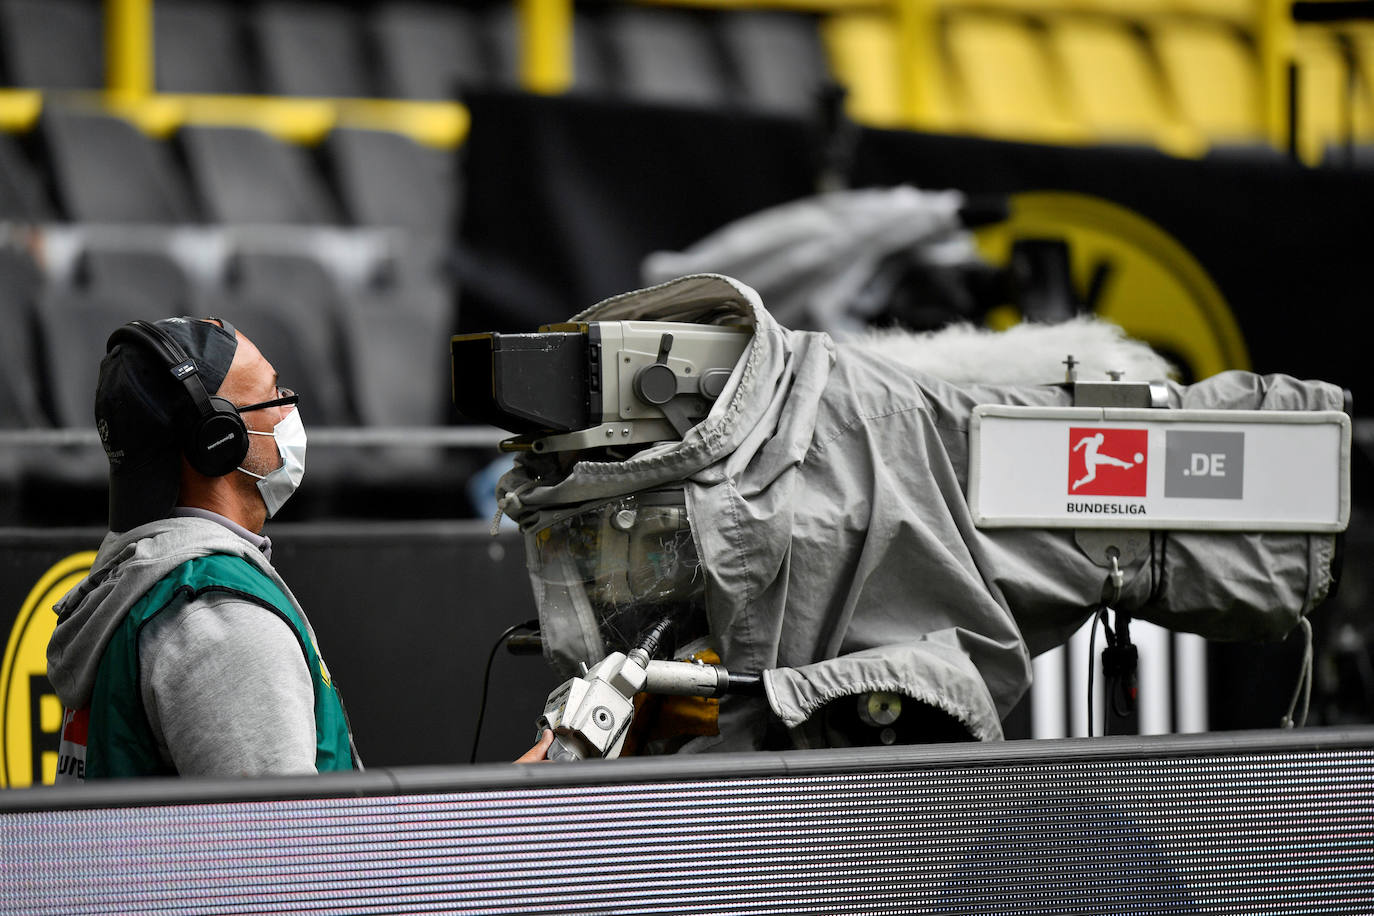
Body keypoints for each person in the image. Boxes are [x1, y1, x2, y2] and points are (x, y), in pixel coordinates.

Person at [46, 316, 553, 781]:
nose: (291, 409)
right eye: (273, 396)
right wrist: (485, 831)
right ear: (218, 440)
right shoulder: (220, 624)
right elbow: (295, 861)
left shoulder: (138, 576)